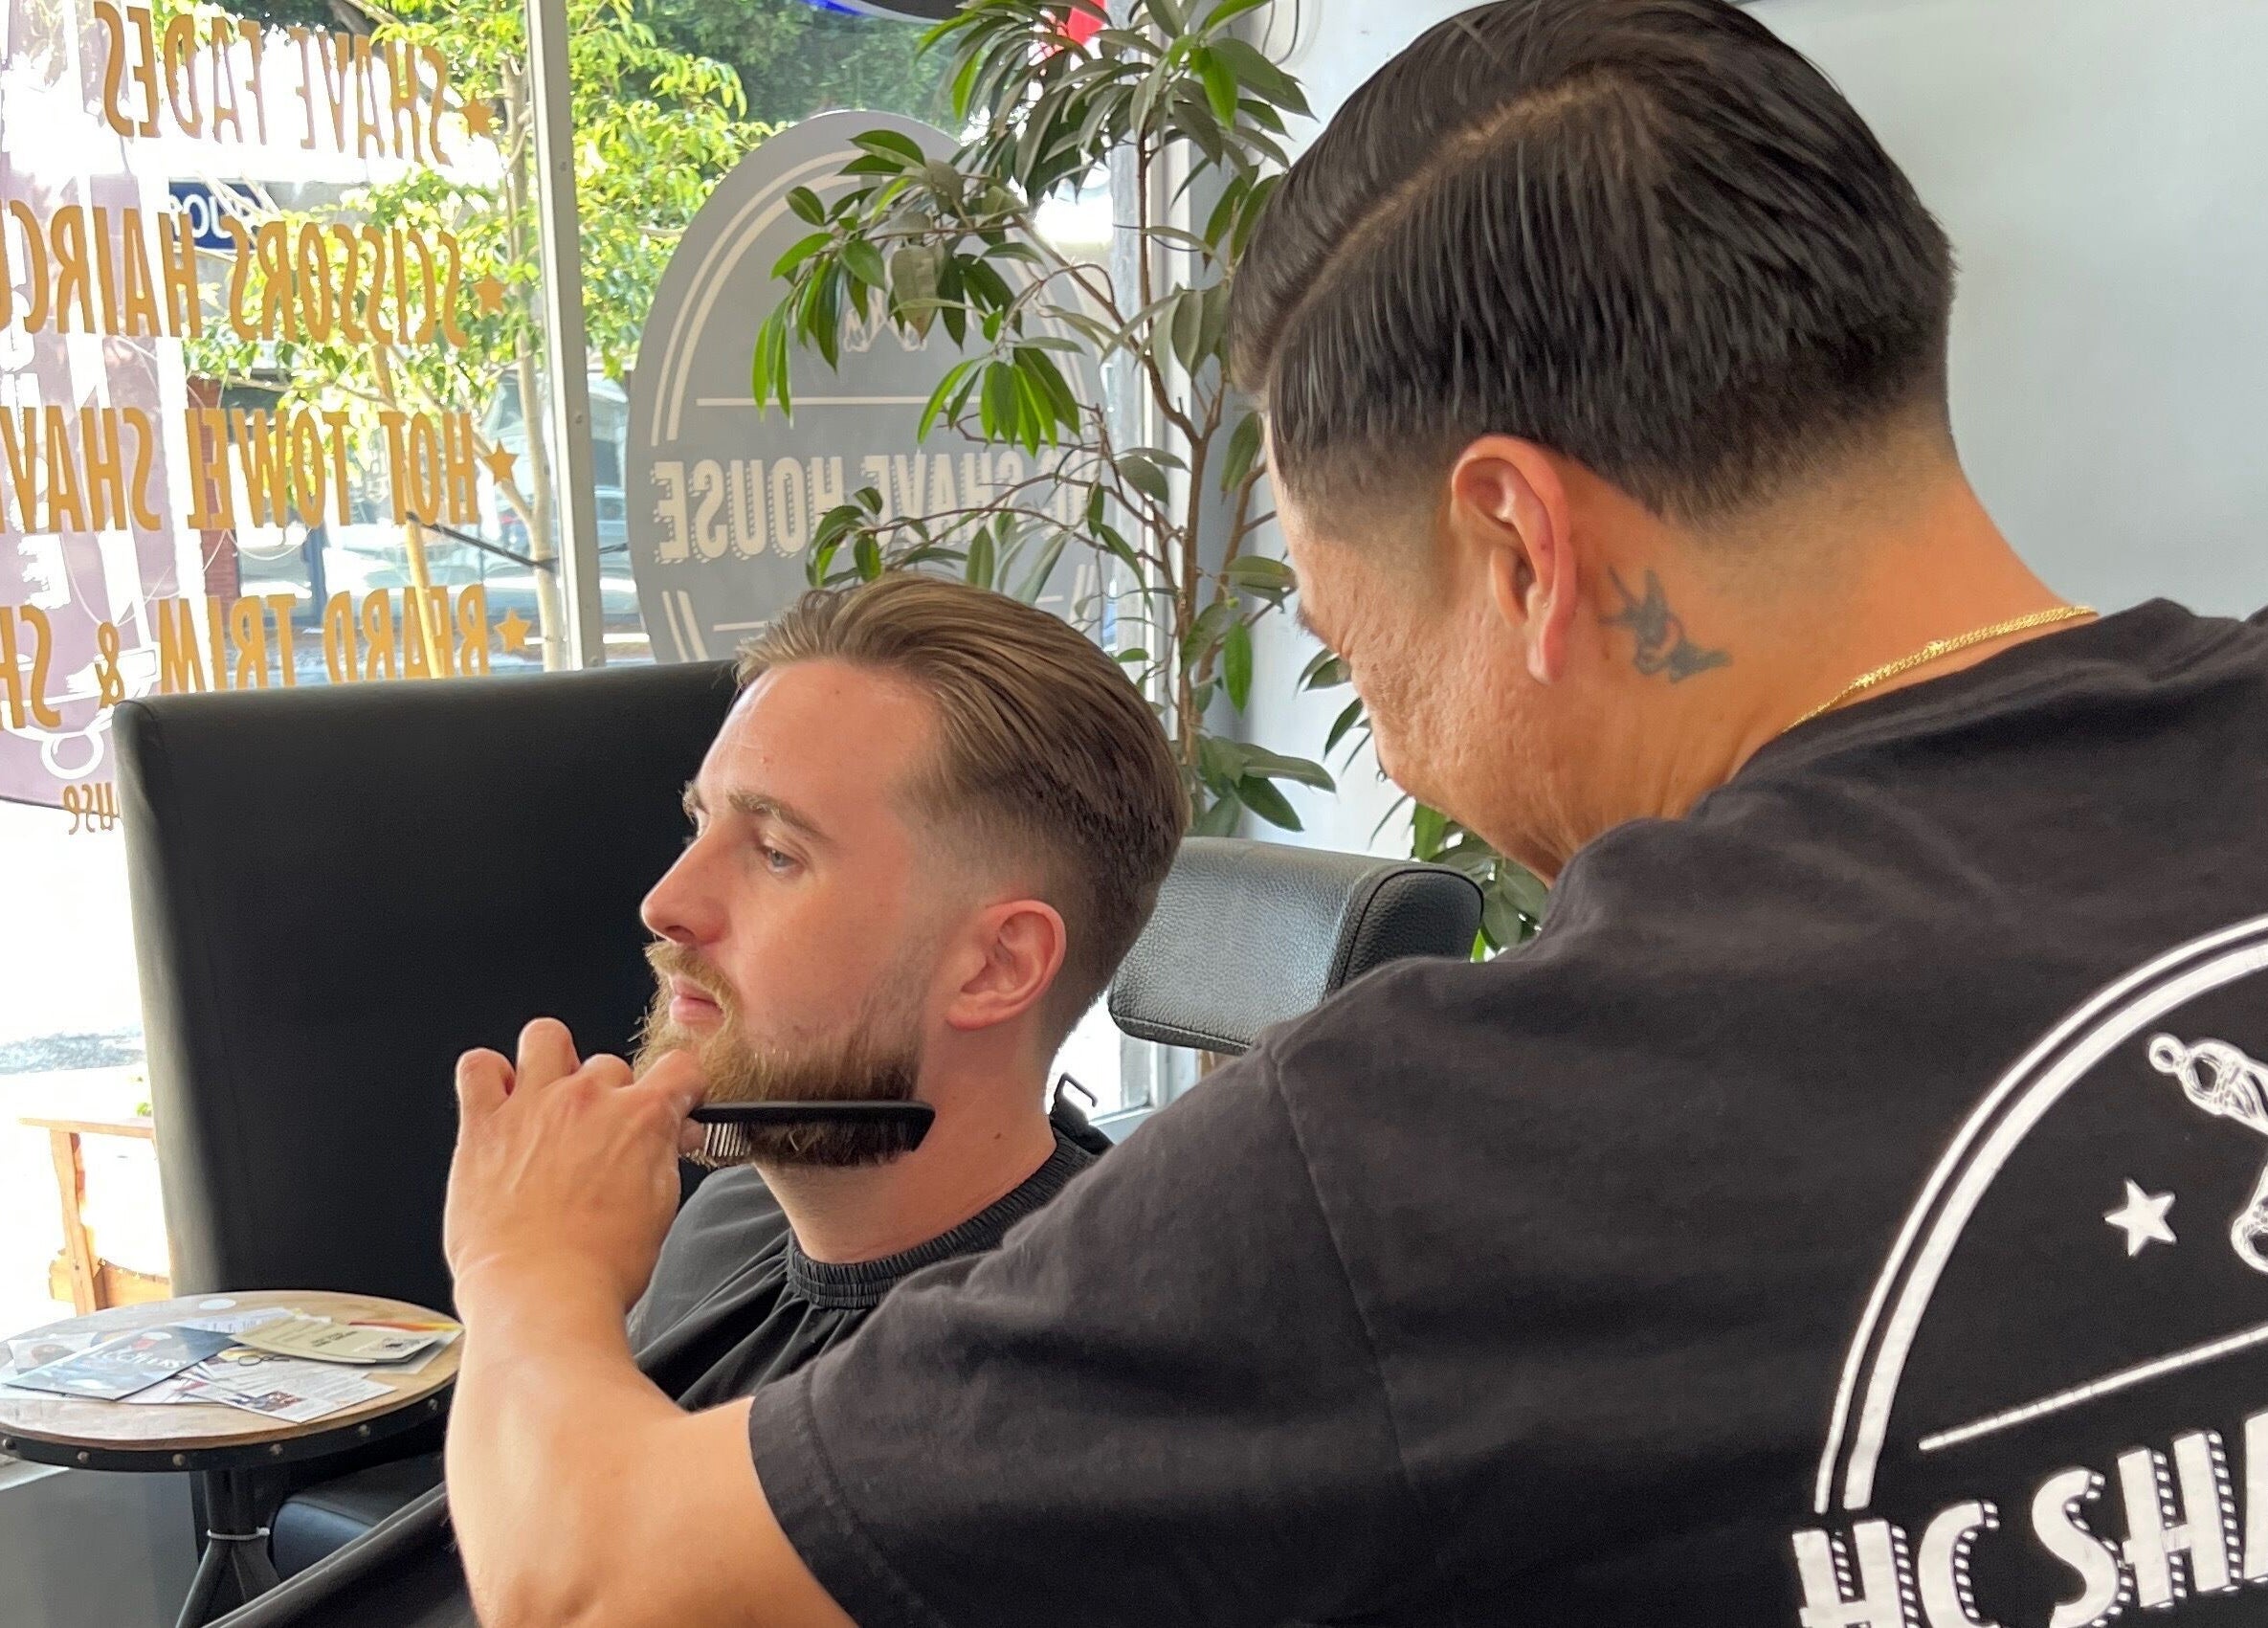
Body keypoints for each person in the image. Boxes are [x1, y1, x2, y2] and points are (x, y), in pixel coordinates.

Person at [434, 2, 2268, 1624]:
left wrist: (521, 1266)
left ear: (1519, 546)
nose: (1397, 762)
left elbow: (597, 1578)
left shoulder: (1429, 1154)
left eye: (1355, 651)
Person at [221, 574, 1182, 1627]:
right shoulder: (727, 1217)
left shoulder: (1025, 1391)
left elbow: (572, 1601)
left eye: (777, 853)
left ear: (996, 966)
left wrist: (524, 1272)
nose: (667, 900)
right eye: (700, 823)